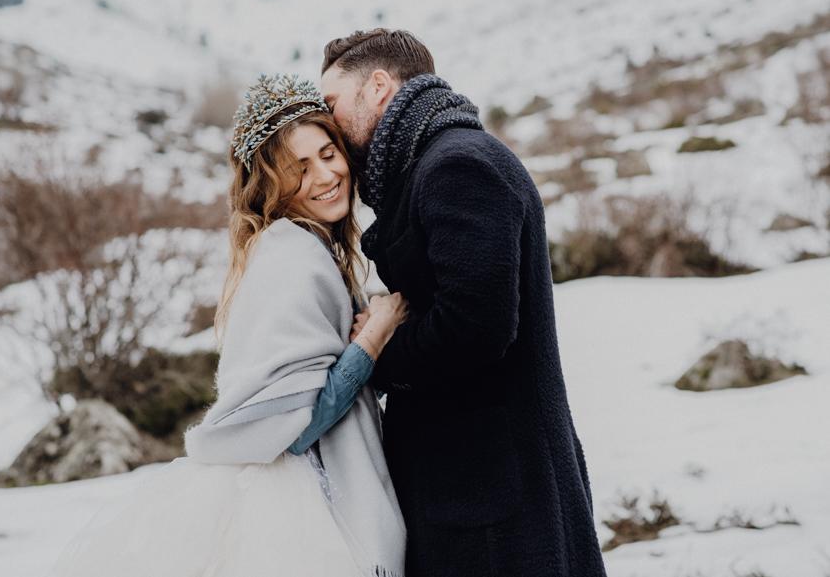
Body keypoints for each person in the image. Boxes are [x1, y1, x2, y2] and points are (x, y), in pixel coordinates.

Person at [49, 74, 407, 577]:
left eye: (329, 154)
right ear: (273, 187)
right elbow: (296, 426)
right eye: (300, 169)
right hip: (300, 510)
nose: (326, 176)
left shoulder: (305, 248)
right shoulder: (294, 258)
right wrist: (374, 337)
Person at [320, 29, 608, 577]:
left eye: (333, 104)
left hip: (493, 501)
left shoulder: (457, 166)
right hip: (478, 487)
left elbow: (476, 324)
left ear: (378, 86)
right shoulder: (437, 162)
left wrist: (377, 348)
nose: (328, 122)